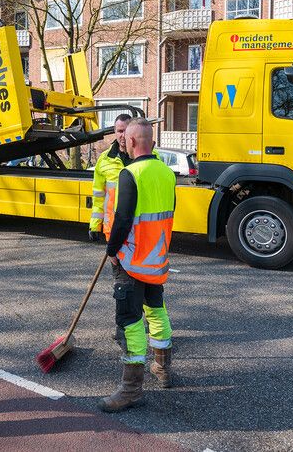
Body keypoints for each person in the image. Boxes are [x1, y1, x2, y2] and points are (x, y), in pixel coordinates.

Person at [99, 117, 176, 413]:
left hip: (131, 261)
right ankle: (163, 368)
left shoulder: (130, 174)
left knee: (129, 321)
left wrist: (112, 250)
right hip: (157, 258)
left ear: (130, 142)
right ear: (152, 142)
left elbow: (122, 218)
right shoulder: (167, 173)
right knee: (156, 310)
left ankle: (131, 389)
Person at [89, 114, 132, 243]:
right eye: (120, 131)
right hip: (113, 229)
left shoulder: (148, 157)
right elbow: (98, 196)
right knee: (116, 263)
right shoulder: (104, 159)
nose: (123, 135)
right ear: (114, 132)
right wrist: (95, 225)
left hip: (137, 229)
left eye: (126, 131)